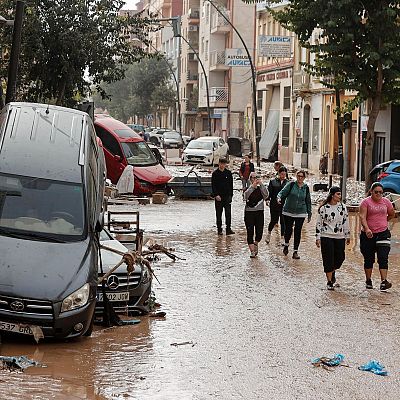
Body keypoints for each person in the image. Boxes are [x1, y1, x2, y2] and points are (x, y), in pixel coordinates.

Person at [359, 182, 395, 290]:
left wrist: (384, 221)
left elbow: (392, 213)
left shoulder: (386, 202)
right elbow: (362, 217)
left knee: (383, 257)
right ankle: (368, 280)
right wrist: (367, 229)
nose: (378, 194)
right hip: (368, 234)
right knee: (369, 259)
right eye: (376, 192)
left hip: (383, 233)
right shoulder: (365, 202)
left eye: (380, 192)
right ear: (371, 192)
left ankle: (384, 281)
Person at [315, 186, 350, 290]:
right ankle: (329, 281)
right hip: (326, 236)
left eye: (340, 194)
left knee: (340, 258)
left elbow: (346, 221)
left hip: (339, 236)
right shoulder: (324, 208)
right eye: (338, 194)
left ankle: (332, 270)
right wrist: (318, 237)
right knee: (328, 258)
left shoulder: (343, 207)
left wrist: (347, 235)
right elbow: (319, 223)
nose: (340, 196)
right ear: (332, 195)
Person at [277, 170, 312, 259]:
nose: (300, 178)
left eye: (302, 176)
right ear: (296, 176)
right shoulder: (291, 184)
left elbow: (308, 201)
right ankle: (286, 244)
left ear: (304, 178)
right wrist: (279, 197)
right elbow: (282, 192)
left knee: (298, 231)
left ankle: (295, 251)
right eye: (298, 176)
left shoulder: (306, 188)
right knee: (288, 229)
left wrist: (309, 213)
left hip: (301, 212)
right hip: (288, 211)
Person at [244, 172, 269, 258]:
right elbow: (245, 196)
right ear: (250, 179)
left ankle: (256, 243)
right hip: (249, 212)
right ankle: (252, 251)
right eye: (253, 178)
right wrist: (252, 187)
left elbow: (266, 195)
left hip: (259, 212)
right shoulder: (247, 188)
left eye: (256, 178)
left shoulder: (261, 188)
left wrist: (261, 185)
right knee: (250, 231)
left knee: (259, 231)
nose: (255, 179)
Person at [211, 158, 235, 235]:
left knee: (228, 213)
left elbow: (231, 185)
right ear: (219, 164)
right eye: (221, 164)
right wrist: (216, 195)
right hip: (219, 197)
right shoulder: (215, 173)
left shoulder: (228, 173)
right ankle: (219, 229)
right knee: (219, 214)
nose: (222, 165)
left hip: (227, 196)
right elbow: (213, 186)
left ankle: (228, 228)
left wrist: (231, 195)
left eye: (224, 164)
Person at [266, 166, 289, 244]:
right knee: (273, 220)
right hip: (274, 204)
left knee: (283, 221)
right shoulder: (272, 182)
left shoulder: (288, 183)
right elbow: (269, 192)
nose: (283, 176)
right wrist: (267, 199)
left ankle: (282, 237)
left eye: (284, 174)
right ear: (279, 173)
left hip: (284, 205)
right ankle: (269, 233)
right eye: (281, 174)